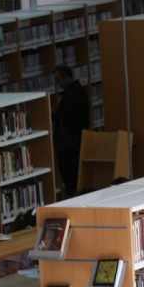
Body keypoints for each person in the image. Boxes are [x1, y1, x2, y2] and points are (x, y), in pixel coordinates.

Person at [52, 65, 90, 198]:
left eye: (58, 80)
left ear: (65, 77)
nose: (58, 84)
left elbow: (67, 118)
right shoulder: (77, 91)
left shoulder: (72, 95)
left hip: (71, 144)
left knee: (71, 177)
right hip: (75, 141)